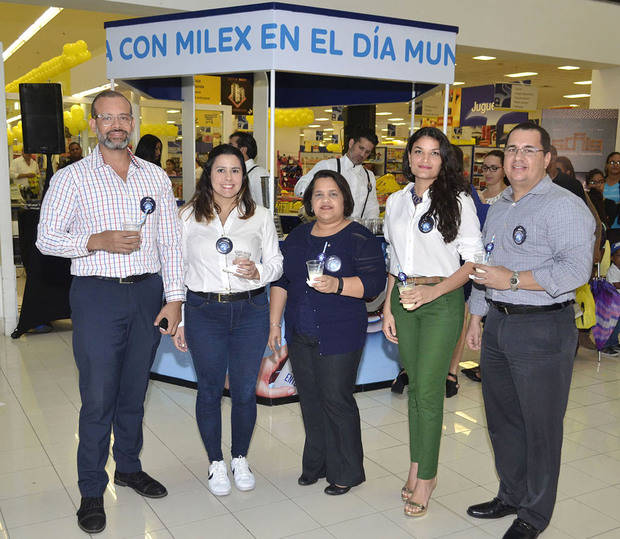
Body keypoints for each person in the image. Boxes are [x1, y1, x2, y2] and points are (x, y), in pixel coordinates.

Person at [36, 90, 184, 534]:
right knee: (99, 395)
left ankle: (130, 467)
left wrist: (174, 298)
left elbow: (171, 242)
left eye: (124, 117)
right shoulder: (71, 178)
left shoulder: (155, 177)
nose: (116, 125)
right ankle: (90, 490)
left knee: (134, 390)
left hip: (147, 293)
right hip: (97, 295)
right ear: (94, 124)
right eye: (107, 118)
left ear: (133, 122)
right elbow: (45, 239)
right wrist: (94, 241)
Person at [465, 122, 595, 539]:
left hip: (542, 327)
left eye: (528, 150)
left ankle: (535, 515)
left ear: (546, 159)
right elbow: (486, 266)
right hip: (500, 323)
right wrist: (477, 315)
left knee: (540, 426)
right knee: (502, 420)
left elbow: (576, 269)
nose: (518, 158)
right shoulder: (500, 205)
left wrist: (515, 280)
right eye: (511, 149)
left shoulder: (564, 206)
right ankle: (511, 494)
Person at [382, 127, 483, 517]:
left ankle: (427, 477)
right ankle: (415, 465)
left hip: (441, 301)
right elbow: (395, 257)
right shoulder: (396, 201)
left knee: (428, 390)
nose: (425, 159)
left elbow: (472, 263)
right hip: (403, 297)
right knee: (414, 389)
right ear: (408, 157)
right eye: (418, 151)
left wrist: (433, 292)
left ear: (444, 160)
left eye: (434, 153)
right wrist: (389, 307)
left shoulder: (459, 200)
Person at [172, 144, 282, 497]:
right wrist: (182, 318)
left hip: (250, 310)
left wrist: (259, 271)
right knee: (208, 389)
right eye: (220, 170)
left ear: (243, 176)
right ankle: (215, 462)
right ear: (209, 175)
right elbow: (177, 268)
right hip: (204, 312)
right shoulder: (188, 216)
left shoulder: (261, 216)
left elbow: (278, 264)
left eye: (235, 170)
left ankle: (239, 457)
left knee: (245, 391)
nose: (228, 178)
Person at [268, 169, 385, 496]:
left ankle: (347, 471)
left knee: (336, 399)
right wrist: (274, 323)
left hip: (340, 332)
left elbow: (374, 286)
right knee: (310, 400)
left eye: (333, 194)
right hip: (300, 330)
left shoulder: (359, 237)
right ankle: (316, 464)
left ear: (345, 199)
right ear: (309, 201)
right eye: (318, 195)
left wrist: (338, 285)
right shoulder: (299, 237)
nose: (325, 201)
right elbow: (282, 281)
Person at [455, 149, 509, 387]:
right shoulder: (474, 195)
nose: (487, 172)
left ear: (505, 169)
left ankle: (493, 365)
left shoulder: (511, 198)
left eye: (493, 168)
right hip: (473, 263)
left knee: (495, 317)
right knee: (469, 313)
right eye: (484, 167)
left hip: (502, 265)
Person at [294, 128, 380, 219]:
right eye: (361, 148)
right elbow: (300, 187)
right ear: (351, 143)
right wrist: (318, 195)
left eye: (367, 152)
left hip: (356, 230)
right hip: (329, 229)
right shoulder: (328, 166)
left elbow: (371, 207)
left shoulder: (369, 177)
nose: (362, 154)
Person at [229, 131, 268, 206]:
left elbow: (264, 207)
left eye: (231, 146)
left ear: (243, 150)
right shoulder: (235, 173)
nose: (228, 150)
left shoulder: (258, 174)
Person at [600, 242, 620, 356]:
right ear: (612, 258)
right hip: (612, 303)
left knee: (617, 325)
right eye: (619, 256)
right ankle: (605, 346)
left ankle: (614, 342)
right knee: (610, 325)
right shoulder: (612, 270)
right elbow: (616, 285)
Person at [603, 151, 620, 243]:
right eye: (612, 162)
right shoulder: (600, 183)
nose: (615, 165)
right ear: (606, 165)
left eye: (618, 162)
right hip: (603, 229)